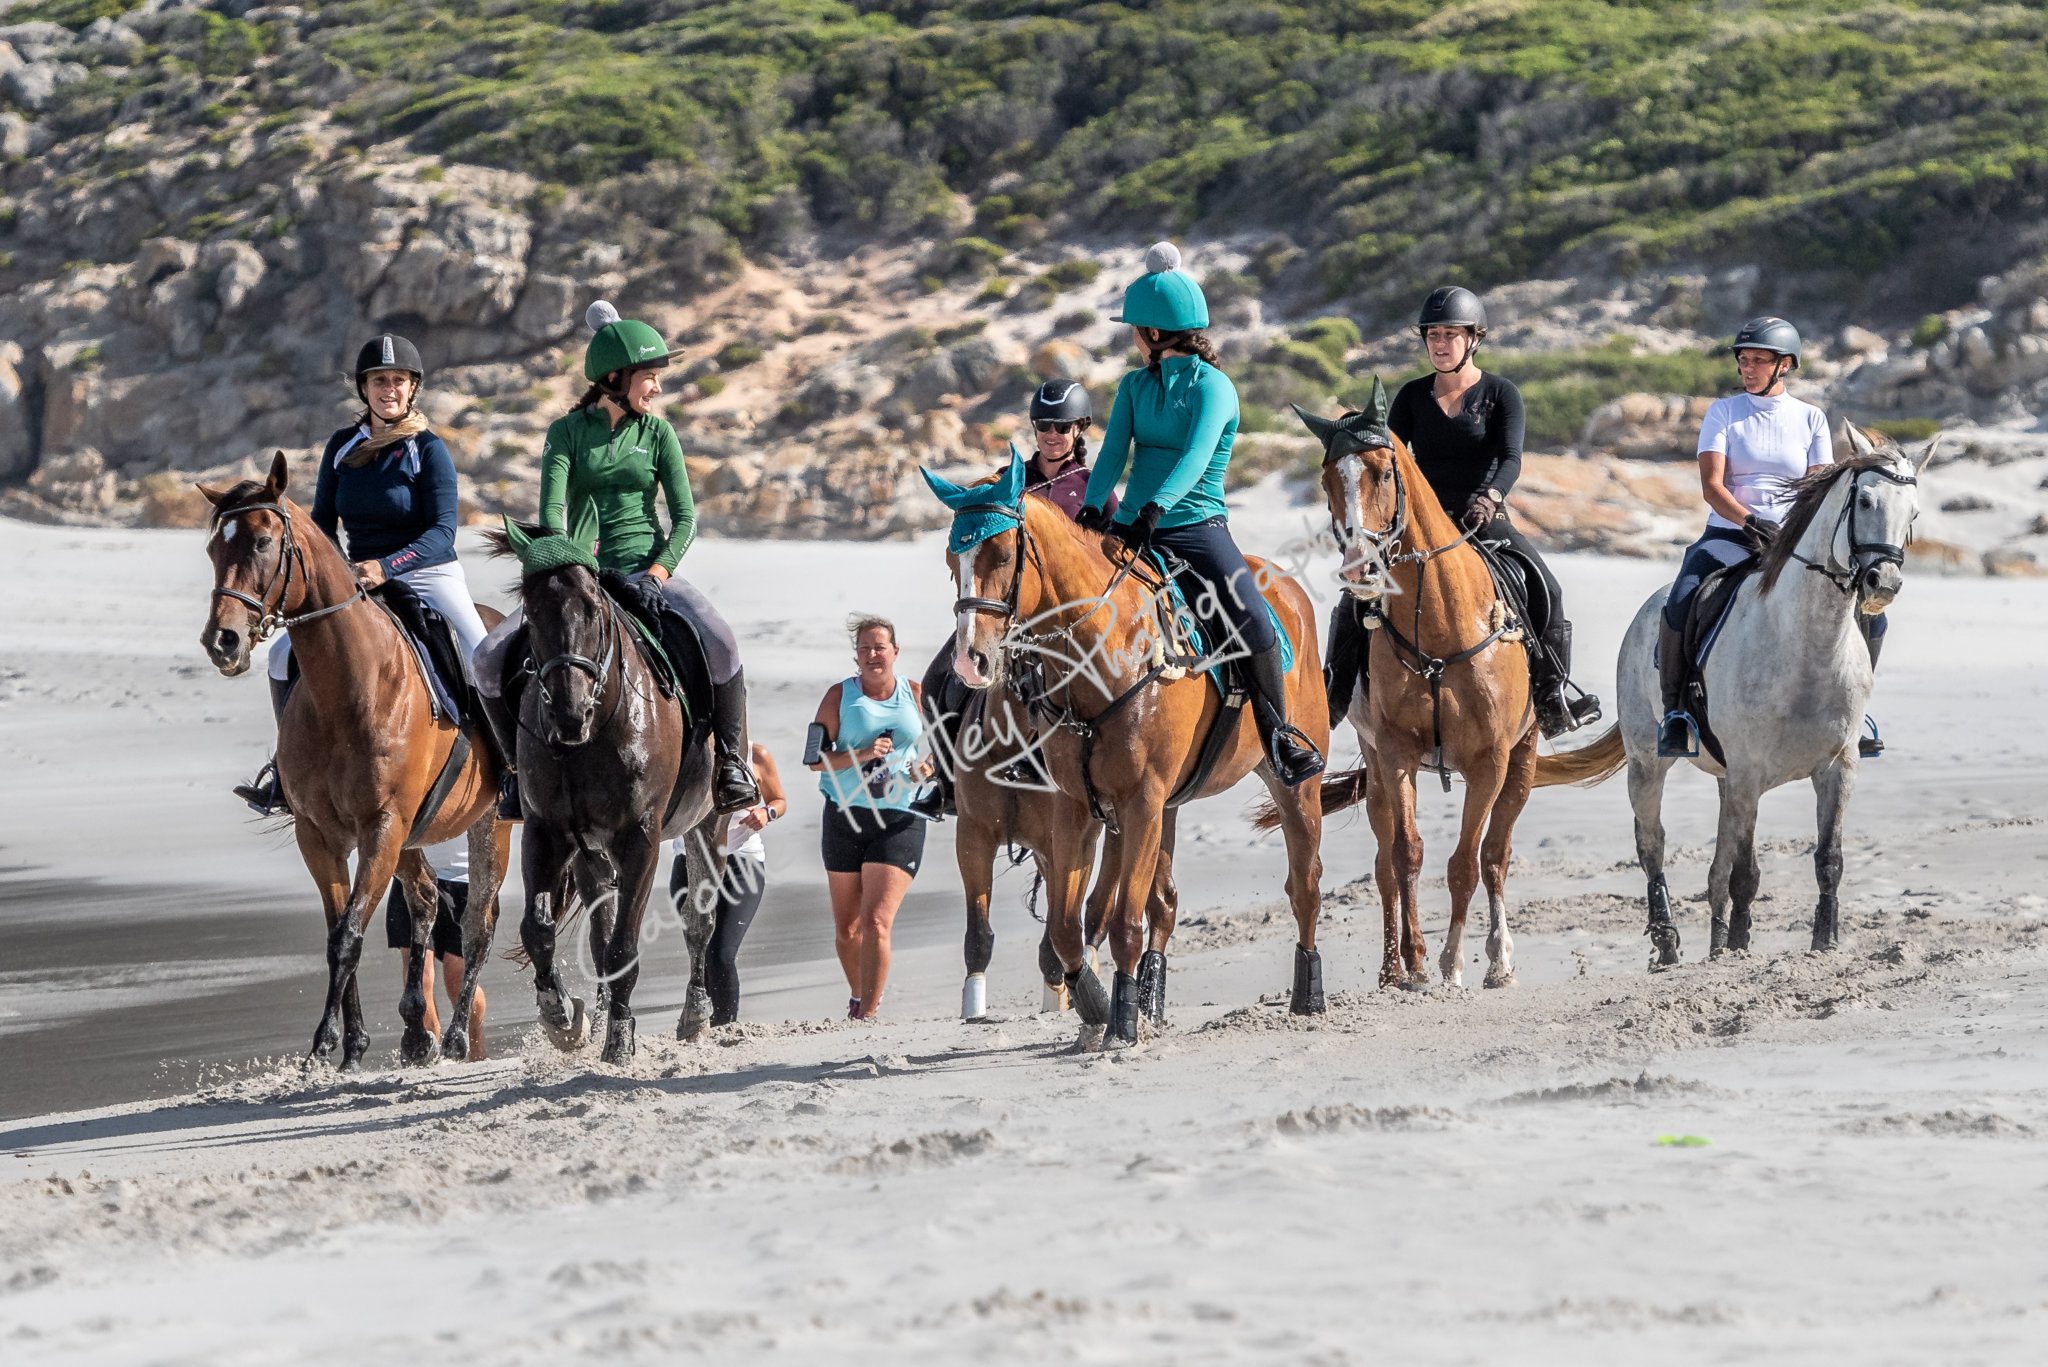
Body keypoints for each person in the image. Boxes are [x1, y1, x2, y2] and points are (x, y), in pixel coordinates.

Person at [232, 335, 491, 961]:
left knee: (480, 647)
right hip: (356, 581)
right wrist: (339, 573)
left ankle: (507, 768)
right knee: (277, 656)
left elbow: (442, 532)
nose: (389, 389)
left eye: (399, 381)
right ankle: (286, 777)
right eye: (379, 381)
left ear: (413, 388)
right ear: (364, 390)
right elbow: (321, 522)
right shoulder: (343, 448)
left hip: (427, 573)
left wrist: (388, 565)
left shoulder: (429, 450)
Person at [474, 302, 759, 815]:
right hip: (582, 577)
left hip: (648, 571)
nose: (657, 388)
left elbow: (686, 518)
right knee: (489, 658)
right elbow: (552, 510)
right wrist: (569, 568)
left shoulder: (659, 434)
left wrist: (658, 572)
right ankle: (514, 773)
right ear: (615, 377)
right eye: (649, 377)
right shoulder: (566, 433)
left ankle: (733, 763)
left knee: (723, 644)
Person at [1074, 241, 1324, 787]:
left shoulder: (1216, 388)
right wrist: (1094, 508)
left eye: (1135, 329)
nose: (1132, 338)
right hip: (1131, 528)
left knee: (1255, 618)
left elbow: (1196, 456)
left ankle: (1279, 735)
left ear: (1156, 334)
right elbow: (1113, 453)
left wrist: (1157, 508)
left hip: (1196, 529)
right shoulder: (1134, 386)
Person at [1378, 285, 1600, 738]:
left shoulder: (1501, 393)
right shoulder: (1410, 397)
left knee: (1548, 591)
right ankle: (1337, 688)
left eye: (1451, 334)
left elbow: (1511, 457)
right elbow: (1391, 459)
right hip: (1421, 526)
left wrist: (1490, 497)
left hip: (1484, 518)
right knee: (1357, 598)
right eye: (1433, 334)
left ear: (1473, 339)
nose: (1440, 343)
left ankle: (1551, 695)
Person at [1657, 316, 1882, 758]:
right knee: (1681, 600)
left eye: (1759, 359)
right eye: (1744, 359)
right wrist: (1750, 521)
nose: (1748, 367)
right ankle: (1676, 713)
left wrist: (1792, 529)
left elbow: (1815, 486)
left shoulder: (1811, 418)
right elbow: (1712, 487)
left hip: (1793, 543)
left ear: (1785, 366)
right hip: (1731, 535)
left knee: (1872, 614)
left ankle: (1856, 712)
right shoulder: (1724, 413)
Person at [908, 378, 1117, 820]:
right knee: (935, 683)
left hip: (1063, 621)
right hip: (1000, 612)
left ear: (1080, 429)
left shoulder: (1094, 485)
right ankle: (944, 783)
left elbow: (1111, 552)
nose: (1051, 434)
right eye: (1043, 425)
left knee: (1039, 680)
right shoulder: (1007, 481)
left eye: (1062, 426)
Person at [808, 615, 931, 1019]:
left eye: (880, 647)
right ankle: (860, 995)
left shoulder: (915, 693)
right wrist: (862, 754)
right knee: (848, 931)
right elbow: (814, 761)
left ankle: (868, 1017)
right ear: (856, 656)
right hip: (844, 815)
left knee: (876, 921)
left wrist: (926, 769)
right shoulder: (839, 696)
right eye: (865, 649)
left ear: (896, 651)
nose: (873, 655)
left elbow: (943, 748)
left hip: (899, 816)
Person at [669, 742, 786, 1026]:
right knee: (701, 954)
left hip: (741, 862)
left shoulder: (757, 755)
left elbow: (780, 800)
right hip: (689, 863)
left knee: (720, 953)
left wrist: (766, 813)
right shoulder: (682, 749)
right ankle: (702, 1023)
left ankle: (725, 1027)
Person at [379, 877, 487, 1059]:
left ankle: (476, 1042)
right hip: (412, 878)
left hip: (463, 878)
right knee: (419, 978)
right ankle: (431, 1053)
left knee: (457, 981)